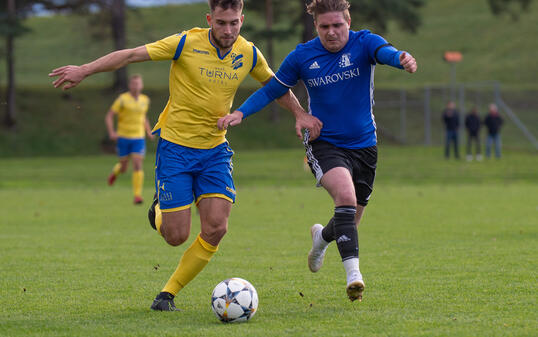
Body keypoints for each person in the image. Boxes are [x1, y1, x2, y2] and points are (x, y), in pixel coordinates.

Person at [49, 0, 321, 311]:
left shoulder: (248, 52)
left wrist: (299, 113)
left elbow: (276, 87)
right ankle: (160, 209)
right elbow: (130, 55)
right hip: (176, 148)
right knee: (176, 236)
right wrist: (85, 69)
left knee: (217, 227)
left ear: (242, 20)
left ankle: (166, 295)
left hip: (215, 150)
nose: (228, 30)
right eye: (221, 22)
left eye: (234, 22)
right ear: (209, 19)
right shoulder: (184, 42)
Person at [218, 0, 417, 302]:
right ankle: (354, 277)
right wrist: (241, 113)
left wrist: (401, 57)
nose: (332, 32)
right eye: (325, 27)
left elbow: (385, 52)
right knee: (346, 198)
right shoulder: (302, 55)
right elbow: (273, 89)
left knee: (349, 218)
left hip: (365, 146)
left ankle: (321, 239)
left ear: (348, 22)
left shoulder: (365, 43)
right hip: (324, 142)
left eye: (337, 25)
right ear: (316, 27)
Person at [105, 74, 154, 204]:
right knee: (124, 167)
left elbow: (143, 117)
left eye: (138, 83)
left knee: (138, 165)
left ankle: (137, 196)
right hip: (123, 137)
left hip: (138, 138)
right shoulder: (122, 99)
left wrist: (148, 132)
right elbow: (109, 116)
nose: (136, 86)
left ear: (142, 85)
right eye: (134, 83)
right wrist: (111, 132)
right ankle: (116, 172)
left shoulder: (145, 100)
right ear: (130, 85)